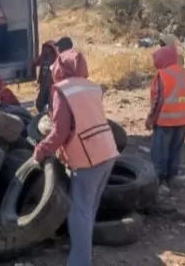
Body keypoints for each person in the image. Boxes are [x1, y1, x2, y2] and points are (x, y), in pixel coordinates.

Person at [33, 48, 118, 266]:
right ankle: (84, 253)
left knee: (79, 212)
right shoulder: (92, 86)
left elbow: (60, 131)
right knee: (89, 209)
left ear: (60, 68)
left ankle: (80, 262)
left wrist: (41, 150)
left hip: (88, 158)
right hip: (108, 151)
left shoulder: (62, 90)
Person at [145, 45, 185, 192]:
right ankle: (172, 177)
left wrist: (150, 119)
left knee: (159, 152)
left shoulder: (162, 75)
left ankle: (159, 183)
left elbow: (158, 100)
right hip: (183, 120)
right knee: (175, 151)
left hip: (165, 121)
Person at [31, 41, 59, 112]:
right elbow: (36, 62)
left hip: (51, 85)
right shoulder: (43, 57)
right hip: (43, 84)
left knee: (48, 102)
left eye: (48, 48)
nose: (46, 50)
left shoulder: (56, 59)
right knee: (40, 103)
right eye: (45, 47)